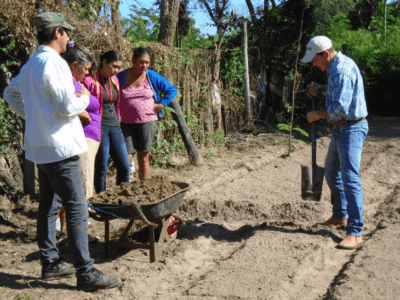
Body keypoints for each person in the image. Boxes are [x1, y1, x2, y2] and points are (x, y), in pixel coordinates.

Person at [3, 12, 120, 291]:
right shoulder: (53, 63)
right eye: (67, 32)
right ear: (57, 33)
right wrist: (84, 96)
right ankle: (85, 272)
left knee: (48, 207)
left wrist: (33, 116)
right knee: (77, 209)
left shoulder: (32, 64)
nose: (69, 38)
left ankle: (51, 263)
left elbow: (10, 94)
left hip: (41, 147)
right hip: (61, 147)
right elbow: (69, 107)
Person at [301, 36, 369, 250]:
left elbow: (340, 108)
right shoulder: (334, 68)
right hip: (340, 128)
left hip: (351, 128)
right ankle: (340, 215)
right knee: (331, 172)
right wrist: (321, 89)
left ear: (326, 54)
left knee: (350, 178)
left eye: (315, 59)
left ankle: (355, 232)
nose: (314, 63)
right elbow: (337, 91)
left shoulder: (341, 70)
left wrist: (317, 115)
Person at [117, 47, 177, 180]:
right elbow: (111, 92)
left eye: (147, 63)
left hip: (147, 123)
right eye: (141, 62)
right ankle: (122, 190)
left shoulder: (151, 76)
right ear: (133, 60)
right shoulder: (121, 77)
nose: (144, 65)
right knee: (125, 158)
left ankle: (144, 190)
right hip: (126, 124)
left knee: (143, 158)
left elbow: (171, 90)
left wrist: (161, 104)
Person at [82, 51, 130, 193]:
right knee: (101, 168)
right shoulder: (89, 82)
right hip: (99, 127)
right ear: (104, 62)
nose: (116, 70)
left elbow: (117, 104)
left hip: (115, 126)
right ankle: (100, 201)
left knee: (124, 166)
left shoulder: (114, 81)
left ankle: (123, 199)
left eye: (119, 68)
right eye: (114, 66)